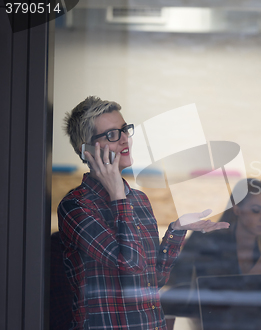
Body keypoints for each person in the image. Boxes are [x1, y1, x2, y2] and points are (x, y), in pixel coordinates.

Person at [57, 96, 229, 330]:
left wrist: (176, 231)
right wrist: (118, 194)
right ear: (86, 151)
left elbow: (152, 281)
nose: (125, 139)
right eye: (112, 134)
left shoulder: (138, 200)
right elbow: (130, 264)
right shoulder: (76, 207)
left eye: (124, 130)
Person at [161, 178, 261, 319]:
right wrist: (255, 274)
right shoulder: (209, 242)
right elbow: (214, 307)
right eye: (256, 211)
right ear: (237, 209)